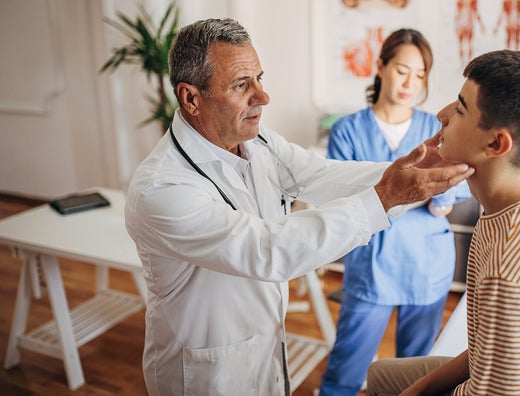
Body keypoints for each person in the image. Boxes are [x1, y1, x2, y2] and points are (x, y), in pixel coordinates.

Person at [123, 18, 473, 396]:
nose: (263, 96)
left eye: (259, 78)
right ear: (191, 98)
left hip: (263, 348)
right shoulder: (163, 188)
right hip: (206, 371)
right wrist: (386, 196)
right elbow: (268, 250)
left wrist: (412, 170)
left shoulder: (259, 142)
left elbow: (321, 175)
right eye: (242, 85)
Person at [365, 50, 520, 395]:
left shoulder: (511, 268)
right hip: (499, 374)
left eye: (461, 108)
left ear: (495, 143)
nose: (441, 114)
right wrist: (418, 389)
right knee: (382, 376)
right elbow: (488, 350)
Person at [320, 28, 471, 396]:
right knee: (345, 370)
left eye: (420, 75)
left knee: (414, 376)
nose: (411, 83)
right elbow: (339, 196)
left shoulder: (436, 128)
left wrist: (440, 197)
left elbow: (454, 189)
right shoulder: (348, 130)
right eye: (403, 70)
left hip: (427, 267)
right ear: (382, 66)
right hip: (371, 269)